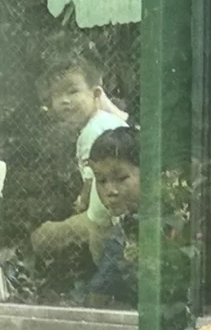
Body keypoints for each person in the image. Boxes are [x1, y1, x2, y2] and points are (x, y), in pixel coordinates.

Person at [32, 48, 130, 266]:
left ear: (96, 94)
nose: (65, 101)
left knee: (43, 238)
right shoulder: (108, 120)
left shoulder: (91, 132)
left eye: (73, 92)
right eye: (58, 95)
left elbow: (90, 178)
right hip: (119, 211)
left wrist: (82, 201)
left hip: (103, 218)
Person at [74, 126, 140, 308]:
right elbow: (99, 293)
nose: (110, 191)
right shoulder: (123, 230)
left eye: (121, 178)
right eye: (101, 181)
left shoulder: (171, 226)